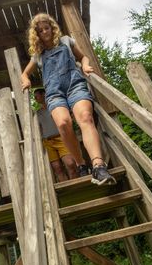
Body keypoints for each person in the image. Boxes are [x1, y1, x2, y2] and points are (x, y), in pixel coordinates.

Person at [20, 13, 115, 185]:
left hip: (75, 85)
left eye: (47, 28)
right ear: (37, 34)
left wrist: (85, 65)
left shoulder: (65, 41)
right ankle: (81, 164)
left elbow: (83, 57)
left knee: (85, 117)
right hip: (54, 92)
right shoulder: (38, 55)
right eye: (40, 31)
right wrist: (26, 79)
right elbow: (25, 73)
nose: (45, 32)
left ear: (52, 28)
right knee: (63, 123)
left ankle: (99, 167)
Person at [33, 87, 78, 182]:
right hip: (48, 142)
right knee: (57, 168)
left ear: (43, 95)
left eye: (36, 96)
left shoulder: (56, 107)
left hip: (62, 139)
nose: (35, 99)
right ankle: (68, 190)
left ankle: (76, 184)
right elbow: (39, 128)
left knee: (70, 164)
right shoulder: (37, 113)